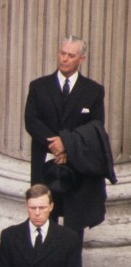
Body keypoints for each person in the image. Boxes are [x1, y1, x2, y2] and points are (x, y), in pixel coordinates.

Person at [23, 36, 108, 240]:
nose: (65, 59)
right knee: (43, 216)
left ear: (81, 59)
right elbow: (31, 120)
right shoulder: (38, 86)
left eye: (71, 55)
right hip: (46, 160)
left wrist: (67, 146)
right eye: (62, 53)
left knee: (74, 223)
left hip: (76, 163)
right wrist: (56, 145)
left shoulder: (93, 91)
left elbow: (96, 126)